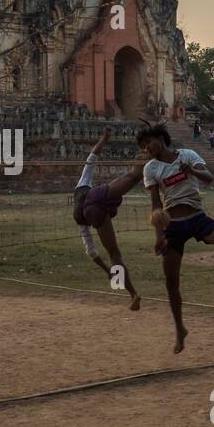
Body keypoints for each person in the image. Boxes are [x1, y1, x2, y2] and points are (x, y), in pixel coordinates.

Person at [137, 123, 214, 354]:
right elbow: (156, 205)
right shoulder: (151, 168)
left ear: (160, 138)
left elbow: (208, 178)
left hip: (197, 217)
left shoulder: (187, 155)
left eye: (149, 142)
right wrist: (159, 236)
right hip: (173, 226)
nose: (147, 148)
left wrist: (192, 171)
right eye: (144, 146)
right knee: (171, 282)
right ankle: (180, 329)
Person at [72, 126, 143, 310]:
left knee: (114, 254)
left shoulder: (80, 220)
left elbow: (92, 252)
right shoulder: (82, 186)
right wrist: (104, 139)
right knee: (133, 176)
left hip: (96, 215)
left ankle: (133, 294)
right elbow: (91, 160)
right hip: (98, 197)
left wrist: (107, 271)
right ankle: (150, 152)